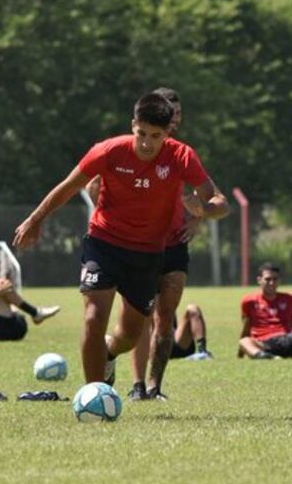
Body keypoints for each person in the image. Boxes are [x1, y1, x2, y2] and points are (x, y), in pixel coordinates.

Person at [12, 92, 227, 386]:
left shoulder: (181, 156)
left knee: (128, 336)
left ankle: (109, 352)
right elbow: (68, 186)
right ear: (132, 126)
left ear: (168, 134)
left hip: (148, 254)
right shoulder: (109, 151)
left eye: (156, 136)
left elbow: (220, 202)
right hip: (104, 244)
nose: (147, 143)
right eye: (141, 133)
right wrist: (35, 220)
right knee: (92, 317)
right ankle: (94, 393)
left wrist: (204, 209)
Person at [85, 88, 218, 401]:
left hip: (172, 242)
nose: (175, 119)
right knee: (139, 318)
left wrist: (198, 218)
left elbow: (210, 195)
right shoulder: (132, 148)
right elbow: (93, 185)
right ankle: (136, 384)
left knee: (166, 313)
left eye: (178, 114)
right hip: (136, 244)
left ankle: (155, 386)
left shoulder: (181, 153)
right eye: (171, 112)